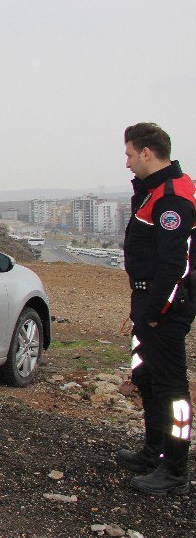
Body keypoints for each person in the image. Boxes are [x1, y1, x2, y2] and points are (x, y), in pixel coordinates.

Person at [116, 122, 194, 495]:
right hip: (147, 302)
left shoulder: (172, 197)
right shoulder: (154, 192)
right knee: (146, 378)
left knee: (171, 390)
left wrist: (152, 312)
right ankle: (154, 450)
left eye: (130, 154)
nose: (128, 162)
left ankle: (175, 469)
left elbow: (174, 266)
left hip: (165, 308)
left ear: (147, 152)